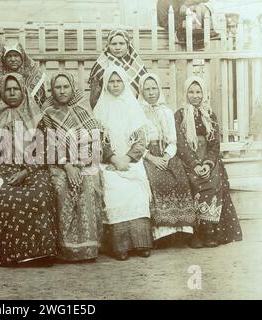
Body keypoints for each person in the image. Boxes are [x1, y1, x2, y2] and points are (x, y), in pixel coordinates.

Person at [0, 73, 56, 267]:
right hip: (3, 168)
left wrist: (25, 171)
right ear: (2, 92)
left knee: (38, 194)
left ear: (23, 91)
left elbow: (44, 149)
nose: (12, 93)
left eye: (16, 89)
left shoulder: (37, 116)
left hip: (32, 169)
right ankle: (10, 254)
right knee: (2, 196)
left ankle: (40, 254)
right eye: (8, 89)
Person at [42, 72, 115, 262]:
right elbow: (50, 145)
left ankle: (89, 249)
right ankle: (66, 250)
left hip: (87, 161)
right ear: (52, 90)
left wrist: (83, 162)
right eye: (58, 87)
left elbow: (95, 138)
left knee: (90, 186)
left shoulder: (83, 107)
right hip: (60, 164)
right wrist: (68, 166)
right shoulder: (48, 112)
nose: (62, 91)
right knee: (62, 188)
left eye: (65, 86)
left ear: (72, 88)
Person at [175, 76, 242, 248]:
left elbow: (214, 145)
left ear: (204, 94)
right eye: (191, 92)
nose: (195, 96)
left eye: (198, 92)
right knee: (191, 182)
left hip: (208, 159)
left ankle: (210, 232)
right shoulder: (180, 115)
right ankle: (197, 233)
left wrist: (207, 163)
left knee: (212, 181)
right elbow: (181, 145)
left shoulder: (210, 115)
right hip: (188, 160)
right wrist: (195, 164)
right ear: (186, 93)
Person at [93, 65, 152, 261]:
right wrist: (113, 159)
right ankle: (120, 246)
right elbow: (97, 141)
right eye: (111, 81)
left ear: (125, 83)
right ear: (106, 84)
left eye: (119, 81)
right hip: (109, 163)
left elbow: (141, 140)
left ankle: (141, 243)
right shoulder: (100, 109)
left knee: (137, 189)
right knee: (114, 189)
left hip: (131, 161)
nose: (115, 85)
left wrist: (126, 159)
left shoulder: (132, 106)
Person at [138, 73, 197, 243]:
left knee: (179, 178)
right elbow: (136, 142)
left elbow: (173, 140)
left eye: (154, 88)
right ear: (141, 91)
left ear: (159, 89)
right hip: (147, 154)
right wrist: (152, 158)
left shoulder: (166, 111)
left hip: (166, 152)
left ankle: (180, 230)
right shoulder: (137, 112)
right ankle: (161, 233)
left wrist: (166, 156)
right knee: (155, 180)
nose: (151, 92)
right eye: (147, 89)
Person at [88, 28, 147, 108]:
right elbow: (94, 97)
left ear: (128, 44)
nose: (117, 47)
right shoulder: (100, 65)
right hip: (108, 109)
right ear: (108, 45)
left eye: (122, 43)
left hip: (134, 109)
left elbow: (145, 92)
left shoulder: (136, 64)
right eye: (114, 44)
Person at [0, 41, 47, 107]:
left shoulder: (35, 74)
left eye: (16, 55)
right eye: (9, 56)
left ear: (22, 57)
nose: (13, 59)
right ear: (4, 59)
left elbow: (40, 101)